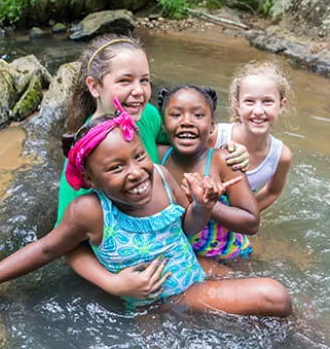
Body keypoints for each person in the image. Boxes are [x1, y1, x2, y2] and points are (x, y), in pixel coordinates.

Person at [0, 111, 292, 317]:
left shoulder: (160, 175)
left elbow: (186, 229)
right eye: (115, 168)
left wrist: (203, 206)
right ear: (91, 180)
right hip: (164, 297)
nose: (136, 172)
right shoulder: (90, 211)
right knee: (274, 296)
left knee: (290, 302)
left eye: (138, 156)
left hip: (191, 268)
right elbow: (47, 249)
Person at [58, 33, 250, 299]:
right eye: (125, 80)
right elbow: (67, 244)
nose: (139, 91)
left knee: (243, 275)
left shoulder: (146, 115)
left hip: (170, 236)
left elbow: (184, 138)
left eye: (144, 80)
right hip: (134, 269)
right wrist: (111, 283)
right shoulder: (84, 157)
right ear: (94, 86)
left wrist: (228, 145)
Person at [158, 85, 259, 260]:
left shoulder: (223, 161)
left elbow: (251, 223)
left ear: (212, 126)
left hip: (228, 256)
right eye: (176, 114)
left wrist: (209, 204)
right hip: (182, 257)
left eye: (198, 115)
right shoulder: (158, 158)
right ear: (164, 126)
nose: (187, 122)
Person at [209, 61, 293, 212]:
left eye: (267, 101)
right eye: (249, 101)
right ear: (237, 105)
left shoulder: (281, 156)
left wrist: (244, 214)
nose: (258, 111)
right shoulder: (215, 136)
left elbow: (272, 192)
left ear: (282, 104)